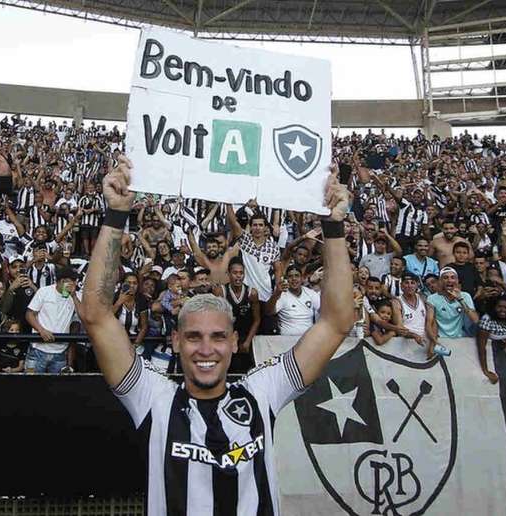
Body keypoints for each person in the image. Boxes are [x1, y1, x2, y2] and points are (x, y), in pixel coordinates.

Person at [81, 155, 353, 516]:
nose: (205, 348)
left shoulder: (262, 392)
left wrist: (333, 228)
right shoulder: (154, 400)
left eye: (217, 336)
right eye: (193, 337)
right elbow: (96, 315)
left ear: (233, 341)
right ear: (176, 342)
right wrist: (116, 216)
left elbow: (336, 321)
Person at [24, 267, 82, 373]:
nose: (73, 284)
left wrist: (73, 296)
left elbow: (83, 316)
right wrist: (41, 330)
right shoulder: (44, 291)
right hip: (38, 349)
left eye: (74, 281)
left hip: (60, 353)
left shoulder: (76, 296)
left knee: (57, 387)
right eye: (70, 281)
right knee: (30, 384)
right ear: (61, 281)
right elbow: (29, 314)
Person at [425, 266, 480, 356]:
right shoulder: (432, 298)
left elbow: (475, 320)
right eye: (445, 278)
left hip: (461, 338)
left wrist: (460, 300)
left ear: (457, 281)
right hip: (441, 339)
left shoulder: (465, 296)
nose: (449, 280)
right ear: (440, 281)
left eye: (452, 277)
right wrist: (433, 342)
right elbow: (429, 322)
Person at [476, 295, 506, 384]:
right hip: (493, 352)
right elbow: (481, 347)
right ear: (494, 307)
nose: (502, 310)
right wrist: (486, 371)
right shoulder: (487, 319)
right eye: (499, 307)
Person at [265, 265, 321, 336]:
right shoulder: (282, 295)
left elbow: (325, 312)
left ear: (302, 278)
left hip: (308, 339)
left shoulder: (311, 293)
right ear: (286, 279)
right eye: (290, 276)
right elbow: (268, 312)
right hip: (286, 339)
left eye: (297, 276)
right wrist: (276, 294)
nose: (294, 278)